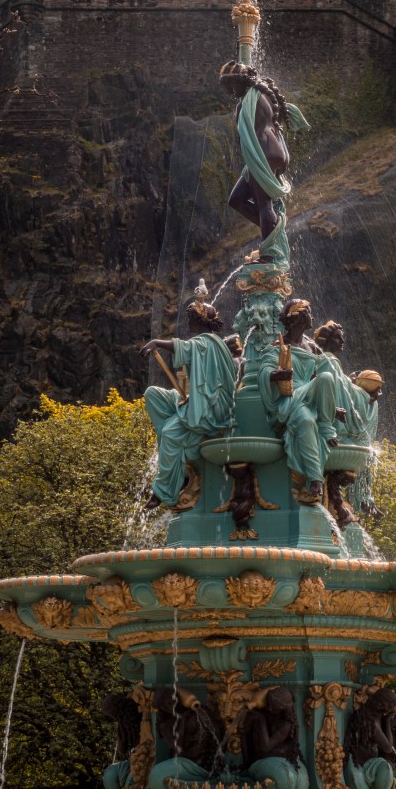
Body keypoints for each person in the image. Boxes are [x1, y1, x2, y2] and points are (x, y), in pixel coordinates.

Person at [140, 299, 238, 508]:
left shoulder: (209, 342)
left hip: (212, 409)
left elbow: (185, 347)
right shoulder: (206, 342)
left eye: (191, 318)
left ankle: (165, 490)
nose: (188, 322)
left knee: (170, 432)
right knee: (153, 395)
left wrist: (157, 343)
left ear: (198, 320)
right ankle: (178, 458)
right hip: (198, 401)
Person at [221, 61, 308, 261]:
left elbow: (244, 130)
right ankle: (273, 231)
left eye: (232, 86)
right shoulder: (261, 94)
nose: (231, 92)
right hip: (274, 150)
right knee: (236, 200)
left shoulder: (251, 98)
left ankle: (269, 253)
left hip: (265, 152)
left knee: (263, 205)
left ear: (241, 81)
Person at [258, 297, 340, 503]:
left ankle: (326, 425)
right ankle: (315, 479)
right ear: (299, 318)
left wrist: (332, 407)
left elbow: (321, 382)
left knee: (327, 376)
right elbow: (264, 371)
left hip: (308, 393)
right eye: (309, 313)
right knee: (305, 421)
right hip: (290, 398)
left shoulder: (312, 347)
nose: (312, 317)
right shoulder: (279, 343)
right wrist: (278, 375)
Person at [240, 686, 310, 789]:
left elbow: (266, 746)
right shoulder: (270, 714)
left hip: (272, 760)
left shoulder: (287, 724)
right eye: (269, 704)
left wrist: (259, 720)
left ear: (282, 707)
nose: (270, 709)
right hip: (259, 759)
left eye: (274, 706)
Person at [313, 321, 383, 446]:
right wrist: (368, 397)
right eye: (337, 337)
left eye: (342, 337)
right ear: (327, 340)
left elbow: (342, 385)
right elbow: (340, 391)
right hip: (333, 423)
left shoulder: (328, 361)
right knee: (373, 404)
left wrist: (350, 380)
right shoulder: (329, 361)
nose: (342, 341)